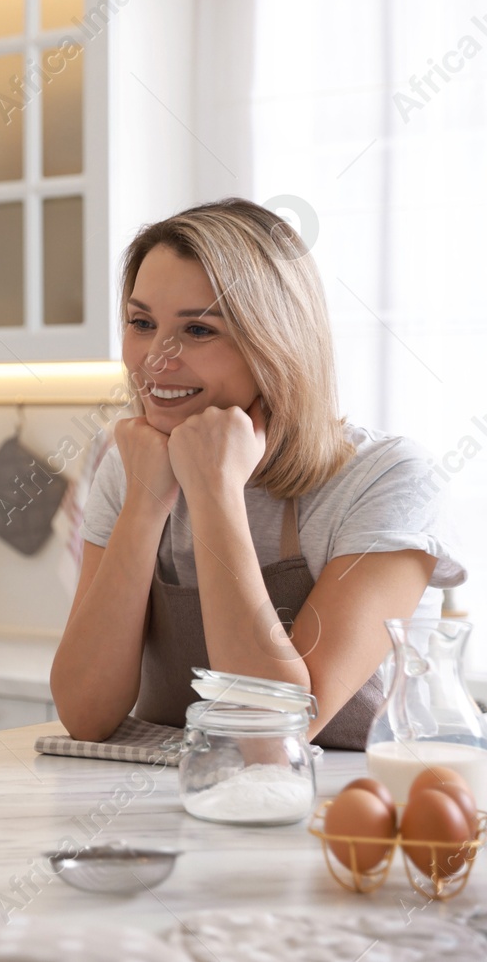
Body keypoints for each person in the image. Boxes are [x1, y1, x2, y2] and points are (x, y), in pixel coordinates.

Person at [51, 198, 466, 748]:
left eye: (198, 330)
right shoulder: (131, 464)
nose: (154, 358)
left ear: (276, 342)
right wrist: (147, 499)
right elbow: (86, 714)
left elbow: (275, 736)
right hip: (174, 804)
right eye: (141, 322)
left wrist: (215, 491)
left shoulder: (387, 479)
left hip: (341, 809)